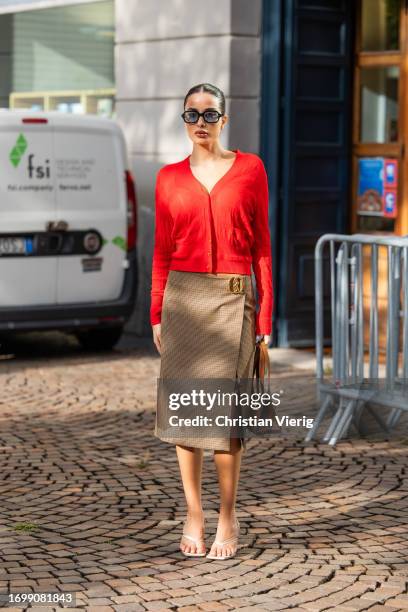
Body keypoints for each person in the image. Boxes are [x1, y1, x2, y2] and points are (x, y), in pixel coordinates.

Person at [150, 83, 273, 560]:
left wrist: (265, 313)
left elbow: (262, 245)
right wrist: (157, 310)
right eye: (191, 114)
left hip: (232, 297)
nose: (200, 123)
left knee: (223, 416)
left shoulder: (250, 169)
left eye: (209, 114)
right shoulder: (167, 178)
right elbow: (161, 250)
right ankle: (194, 512)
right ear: (183, 121)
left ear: (225, 119)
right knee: (185, 411)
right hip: (183, 299)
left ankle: (227, 514)